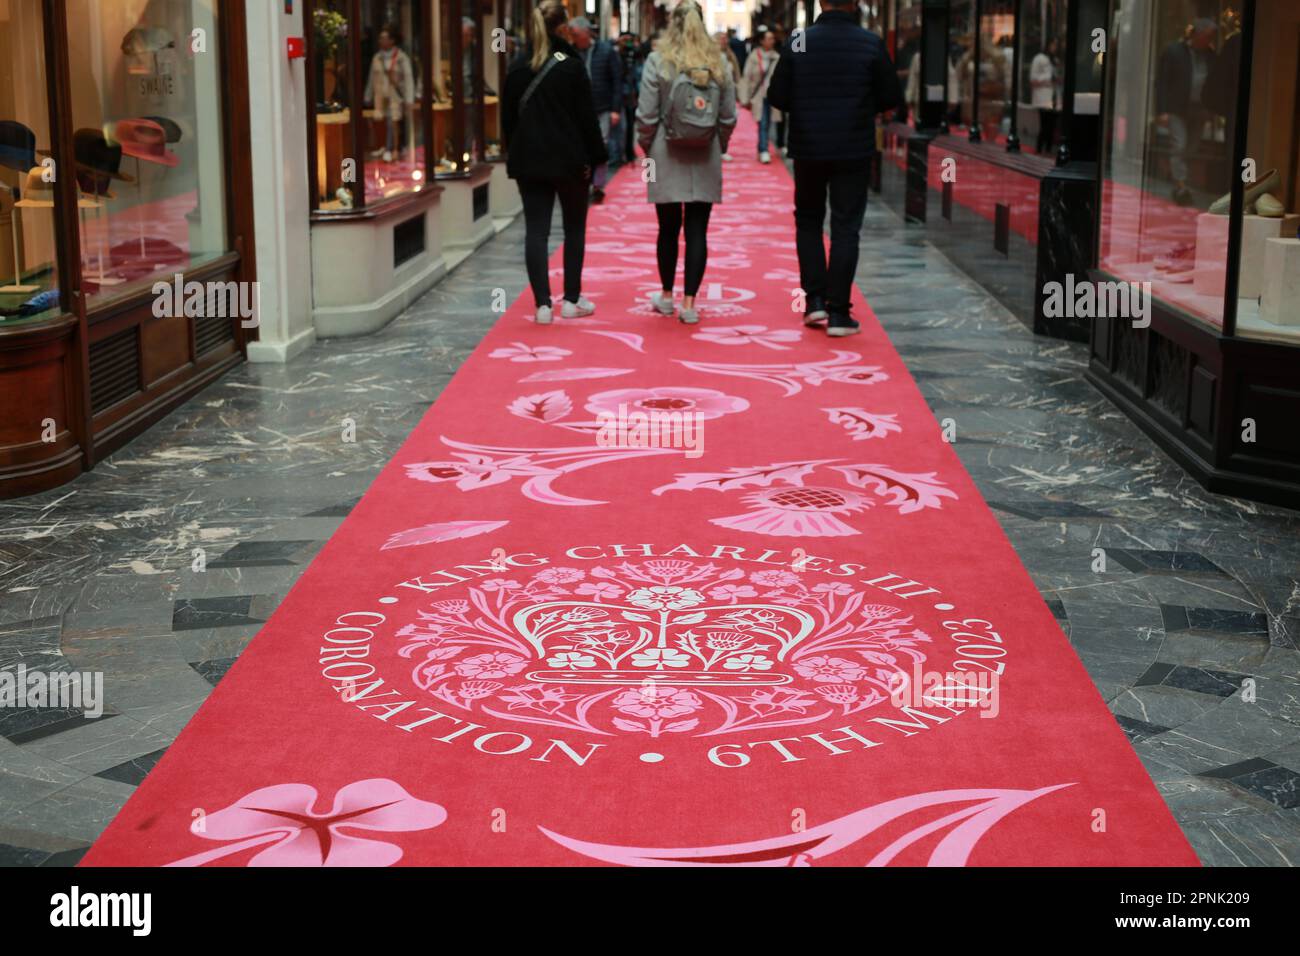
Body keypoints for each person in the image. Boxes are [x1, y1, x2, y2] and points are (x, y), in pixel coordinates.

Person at [766, 0, 900, 337]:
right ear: (854, 3)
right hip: (853, 148)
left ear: (822, 3)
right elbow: (889, 97)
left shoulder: (799, 40)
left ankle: (814, 302)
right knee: (845, 227)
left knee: (809, 220)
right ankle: (839, 312)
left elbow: (777, 96)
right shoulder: (870, 42)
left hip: (809, 146)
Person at [502, 0, 607, 324]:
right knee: (574, 228)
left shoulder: (518, 66)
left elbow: (507, 120)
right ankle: (571, 300)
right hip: (569, 162)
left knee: (537, 231)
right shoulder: (571, 66)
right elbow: (587, 119)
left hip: (530, 161)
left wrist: (515, 151)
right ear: (563, 28)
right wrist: (598, 158)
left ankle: (542, 305)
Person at [636, 0, 736, 326]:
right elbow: (729, 116)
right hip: (705, 154)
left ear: (671, 24)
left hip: (666, 151)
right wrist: (718, 143)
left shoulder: (658, 61)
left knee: (667, 228)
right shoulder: (718, 62)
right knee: (697, 230)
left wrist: (646, 144)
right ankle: (690, 303)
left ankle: (666, 296)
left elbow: (647, 114)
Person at [1156, 18, 1218, 207]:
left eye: (1211, 37)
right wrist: (1162, 111)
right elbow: (1162, 82)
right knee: (1180, 145)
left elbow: (1214, 83)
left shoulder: (1210, 55)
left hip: (1199, 109)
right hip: (1177, 108)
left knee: (1190, 148)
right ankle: (1181, 186)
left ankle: (1177, 178)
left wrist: (1212, 109)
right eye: (1207, 36)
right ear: (1197, 34)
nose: (1209, 40)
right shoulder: (1175, 51)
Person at [568, 17, 623, 204]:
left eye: (576, 34)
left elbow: (617, 81)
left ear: (586, 33)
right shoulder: (570, 52)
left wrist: (616, 109)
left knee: (601, 145)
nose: (573, 38)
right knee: (580, 147)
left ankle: (598, 184)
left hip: (602, 107)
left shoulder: (606, 51)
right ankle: (583, 181)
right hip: (577, 109)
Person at [364, 25, 415, 164]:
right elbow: (371, 77)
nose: (381, 40)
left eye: (384, 38)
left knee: (393, 122)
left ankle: (392, 148)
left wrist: (409, 98)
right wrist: (367, 95)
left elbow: (408, 78)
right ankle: (384, 146)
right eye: (380, 38)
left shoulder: (401, 57)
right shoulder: (377, 58)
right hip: (380, 95)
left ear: (392, 41)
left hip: (395, 95)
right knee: (381, 119)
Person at [741, 28, 780, 163]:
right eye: (769, 38)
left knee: (767, 123)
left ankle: (761, 147)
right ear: (762, 41)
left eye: (773, 38)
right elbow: (746, 76)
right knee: (763, 122)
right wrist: (745, 97)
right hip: (759, 95)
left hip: (773, 95)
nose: (772, 41)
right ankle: (764, 150)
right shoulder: (754, 56)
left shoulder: (777, 57)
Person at [1029, 38, 1060, 155]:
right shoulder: (1039, 59)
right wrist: (1047, 79)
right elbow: (1033, 80)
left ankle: (1048, 148)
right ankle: (1040, 147)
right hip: (1043, 96)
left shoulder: (1054, 60)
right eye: (1052, 45)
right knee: (1045, 123)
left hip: (1053, 96)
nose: (1054, 48)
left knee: (1051, 124)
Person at [715, 32, 742, 161]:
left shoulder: (731, 55)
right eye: (721, 39)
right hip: (716, 91)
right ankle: (717, 148)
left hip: (729, 90)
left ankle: (723, 147)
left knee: (728, 118)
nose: (724, 41)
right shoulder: (711, 55)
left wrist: (738, 89)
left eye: (726, 39)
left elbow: (737, 73)